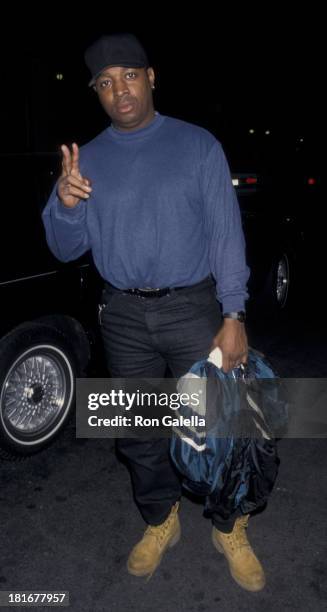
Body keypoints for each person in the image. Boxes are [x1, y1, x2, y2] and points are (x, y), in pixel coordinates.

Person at [42, 32, 266, 591]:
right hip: (121, 313)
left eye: (129, 76)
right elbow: (65, 248)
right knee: (137, 430)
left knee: (221, 424)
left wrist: (233, 313)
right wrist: (66, 205)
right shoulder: (86, 159)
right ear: (96, 91)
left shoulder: (197, 145)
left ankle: (228, 525)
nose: (119, 90)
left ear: (151, 77)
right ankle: (160, 520)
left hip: (193, 305)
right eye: (105, 82)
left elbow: (225, 234)